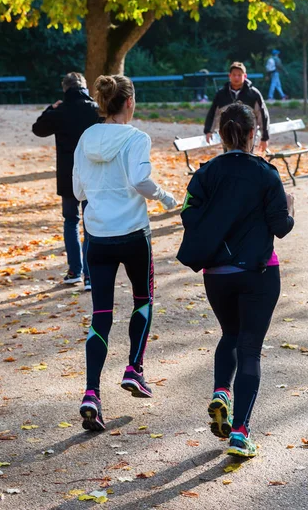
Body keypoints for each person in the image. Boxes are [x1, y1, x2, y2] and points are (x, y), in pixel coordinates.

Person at [177, 103, 294, 457]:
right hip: (259, 273)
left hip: (217, 276)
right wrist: (290, 207)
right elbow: (280, 228)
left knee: (229, 333)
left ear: (222, 134)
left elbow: (187, 215)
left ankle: (219, 391)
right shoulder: (267, 174)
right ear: (251, 133)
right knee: (250, 350)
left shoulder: (204, 174)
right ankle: (240, 433)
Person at [73, 74, 177, 431]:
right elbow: (140, 181)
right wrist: (165, 197)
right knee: (143, 300)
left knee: (100, 314)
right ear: (129, 102)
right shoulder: (136, 138)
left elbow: (77, 188)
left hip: (97, 235)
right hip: (133, 234)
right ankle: (134, 368)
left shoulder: (86, 137)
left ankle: (91, 393)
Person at [32, 72, 99, 291]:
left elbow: (38, 129)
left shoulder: (60, 111)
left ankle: (74, 271)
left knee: (71, 221)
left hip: (68, 176)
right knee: (91, 224)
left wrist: (51, 108)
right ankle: (91, 275)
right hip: (91, 174)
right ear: (85, 86)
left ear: (65, 88)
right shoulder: (96, 109)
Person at [204, 62, 269, 152]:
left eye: (239, 75)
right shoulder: (221, 94)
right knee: (228, 159)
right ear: (229, 76)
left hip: (247, 136)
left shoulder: (254, 94)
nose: (236, 78)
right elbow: (213, 114)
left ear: (245, 76)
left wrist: (264, 137)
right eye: (234, 75)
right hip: (227, 134)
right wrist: (208, 131)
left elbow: (262, 116)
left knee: (247, 159)